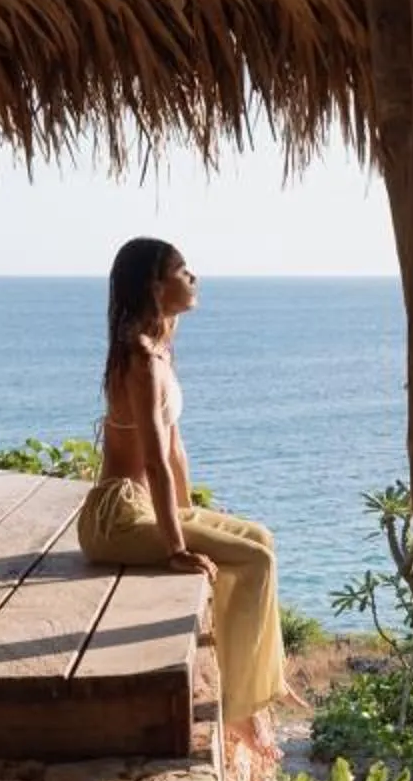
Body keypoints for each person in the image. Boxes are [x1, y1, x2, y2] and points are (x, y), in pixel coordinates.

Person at [77, 237, 294, 734]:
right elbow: (153, 462)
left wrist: (187, 513)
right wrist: (177, 547)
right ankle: (238, 709)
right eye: (182, 270)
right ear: (156, 286)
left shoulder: (159, 351)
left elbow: (175, 452)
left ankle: (263, 684)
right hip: (116, 519)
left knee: (261, 538)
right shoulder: (141, 360)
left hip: (143, 509)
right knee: (255, 561)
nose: (193, 277)